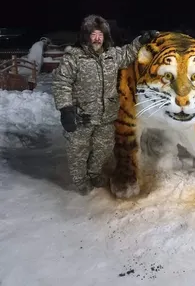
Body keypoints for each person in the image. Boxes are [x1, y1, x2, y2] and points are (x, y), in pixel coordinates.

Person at [52, 14, 159, 195]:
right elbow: (61, 83)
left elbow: (128, 53)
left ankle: (94, 174)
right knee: (78, 151)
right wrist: (66, 110)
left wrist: (142, 40)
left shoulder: (111, 55)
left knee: (103, 149)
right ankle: (81, 181)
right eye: (93, 34)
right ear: (86, 35)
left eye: (100, 34)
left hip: (106, 115)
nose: (97, 38)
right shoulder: (74, 57)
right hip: (82, 116)